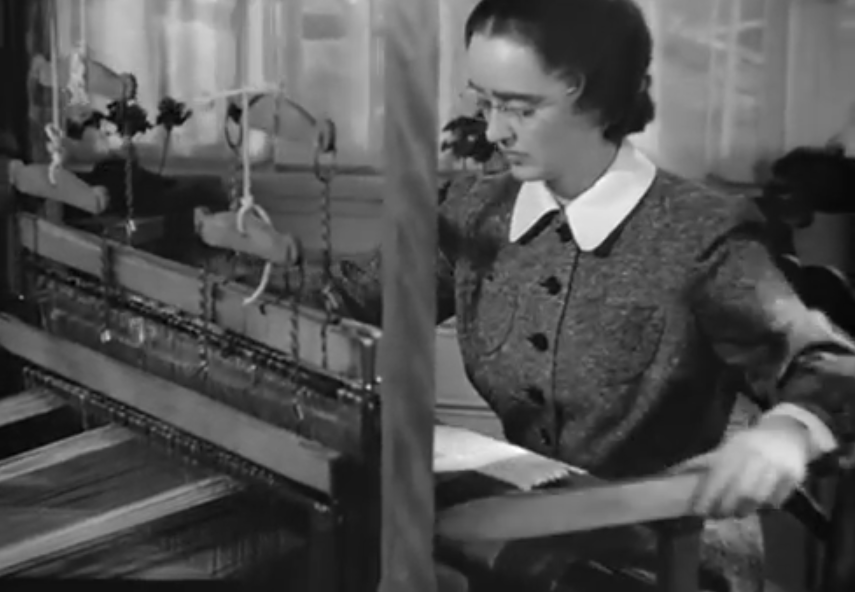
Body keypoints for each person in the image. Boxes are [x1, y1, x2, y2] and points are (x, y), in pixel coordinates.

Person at [301, 0, 855, 590]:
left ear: (599, 101)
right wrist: (260, 256)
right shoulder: (475, 211)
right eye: (484, 103)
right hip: (531, 529)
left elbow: (829, 365)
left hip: (672, 548)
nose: (493, 131)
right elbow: (351, 297)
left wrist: (787, 432)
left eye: (520, 108)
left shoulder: (698, 234)